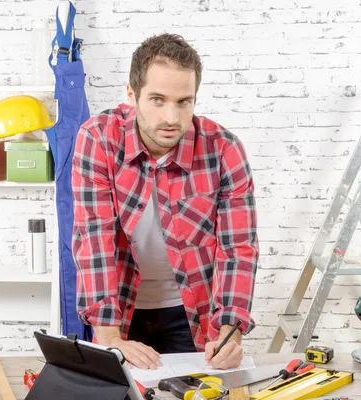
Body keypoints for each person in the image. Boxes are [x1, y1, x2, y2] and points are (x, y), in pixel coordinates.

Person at [71, 33, 259, 371]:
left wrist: (230, 331)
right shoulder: (98, 138)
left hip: (191, 315)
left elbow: (238, 248)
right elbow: (94, 238)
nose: (172, 117)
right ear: (131, 94)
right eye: (157, 99)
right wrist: (110, 338)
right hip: (118, 312)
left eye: (184, 102)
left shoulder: (224, 150)